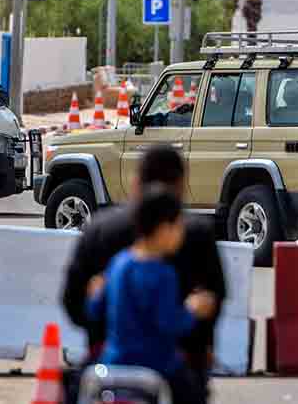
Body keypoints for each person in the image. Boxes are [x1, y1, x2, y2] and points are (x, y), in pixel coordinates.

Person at [62, 146, 226, 401]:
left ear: (135, 182)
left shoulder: (112, 252)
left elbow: (78, 307)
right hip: (165, 365)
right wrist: (193, 310)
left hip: (110, 361)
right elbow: (178, 319)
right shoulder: (178, 255)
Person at [86, 186, 216, 404]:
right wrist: (193, 310)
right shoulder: (163, 273)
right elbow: (169, 323)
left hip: (114, 363)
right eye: (178, 227)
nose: (181, 233)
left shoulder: (119, 263)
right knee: (195, 392)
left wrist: (94, 293)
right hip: (156, 365)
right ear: (164, 229)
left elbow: (95, 309)